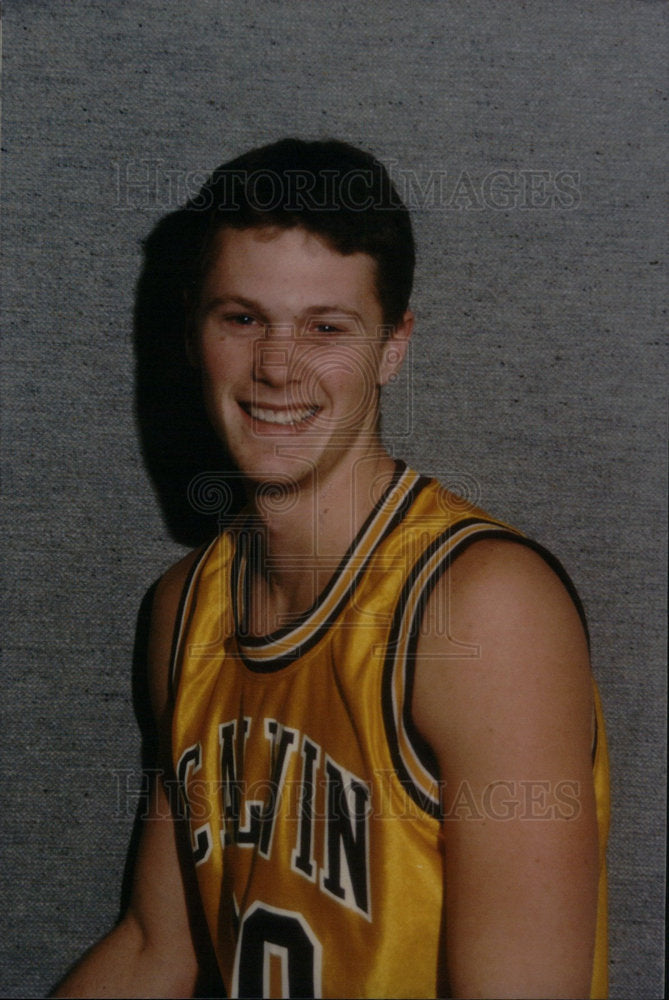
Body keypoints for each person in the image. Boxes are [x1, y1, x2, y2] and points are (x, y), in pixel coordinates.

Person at [53, 138, 609, 999]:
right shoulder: (182, 611)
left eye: (326, 328)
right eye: (241, 318)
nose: (279, 365)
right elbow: (155, 946)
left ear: (393, 346)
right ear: (195, 334)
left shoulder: (479, 610)